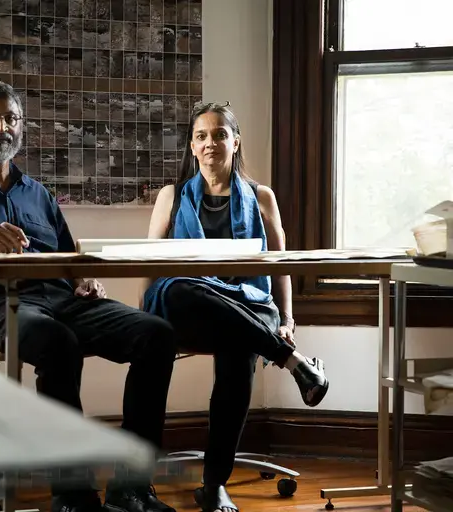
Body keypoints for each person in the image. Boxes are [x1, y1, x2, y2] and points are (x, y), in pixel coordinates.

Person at [0, 79, 177, 512]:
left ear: (21, 128)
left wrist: (84, 278)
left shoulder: (36, 192)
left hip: (62, 300)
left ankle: (130, 486)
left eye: (11, 119)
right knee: (57, 343)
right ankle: (73, 496)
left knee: (157, 334)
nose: (1, 127)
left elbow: (68, 254)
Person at [141, 102, 329, 512]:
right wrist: (144, 316)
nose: (211, 143)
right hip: (188, 309)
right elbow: (150, 267)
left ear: (235, 141)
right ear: (192, 146)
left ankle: (213, 483)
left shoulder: (262, 198)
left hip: (248, 307)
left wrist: (288, 319)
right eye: (202, 136)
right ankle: (295, 362)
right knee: (178, 288)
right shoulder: (171, 197)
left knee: (239, 346)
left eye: (220, 134)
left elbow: (279, 266)